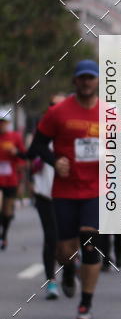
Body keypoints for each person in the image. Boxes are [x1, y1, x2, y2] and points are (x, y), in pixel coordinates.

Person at [29, 61, 101, 319]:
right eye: (82, 78)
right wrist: (54, 161)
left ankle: (86, 304)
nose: (86, 82)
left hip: (96, 190)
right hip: (65, 190)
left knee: (90, 243)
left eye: (91, 78)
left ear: (97, 82)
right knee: (64, 250)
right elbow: (37, 145)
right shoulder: (58, 112)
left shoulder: (111, 114)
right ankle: (69, 270)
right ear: (75, 81)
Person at [26, 93, 66, 298]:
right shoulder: (41, 134)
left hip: (70, 195)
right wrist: (30, 181)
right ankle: (51, 281)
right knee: (51, 237)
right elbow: (29, 156)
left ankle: (68, 268)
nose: (56, 109)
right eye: (52, 105)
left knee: (68, 241)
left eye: (60, 106)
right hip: (45, 194)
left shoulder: (75, 133)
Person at [0, 111, 25, 249]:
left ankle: (4, 236)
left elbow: (23, 157)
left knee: (7, 211)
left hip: (11, 179)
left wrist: (16, 153)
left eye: (4, 122)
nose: (1, 125)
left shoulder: (15, 137)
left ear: (8, 123)